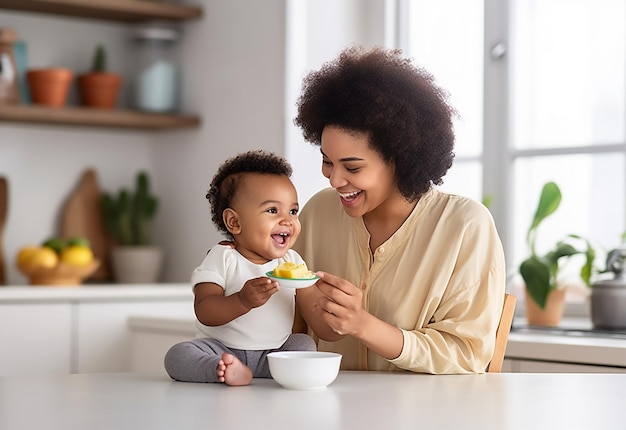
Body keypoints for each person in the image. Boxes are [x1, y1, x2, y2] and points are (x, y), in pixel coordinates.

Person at [291, 45, 506, 374]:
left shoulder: (465, 227)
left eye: (352, 167)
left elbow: (466, 354)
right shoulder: (317, 213)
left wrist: (363, 325)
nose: (334, 179)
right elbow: (290, 323)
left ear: (399, 160)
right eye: (326, 161)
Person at [164, 150, 316, 386]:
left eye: (293, 211)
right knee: (178, 355)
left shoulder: (293, 262)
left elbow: (312, 310)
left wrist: (321, 294)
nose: (288, 220)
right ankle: (220, 369)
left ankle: (285, 370)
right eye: (273, 210)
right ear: (234, 222)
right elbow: (204, 309)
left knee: (303, 344)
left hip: (274, 354)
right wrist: (242, 301)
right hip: (222, 349)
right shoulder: (222, 257)